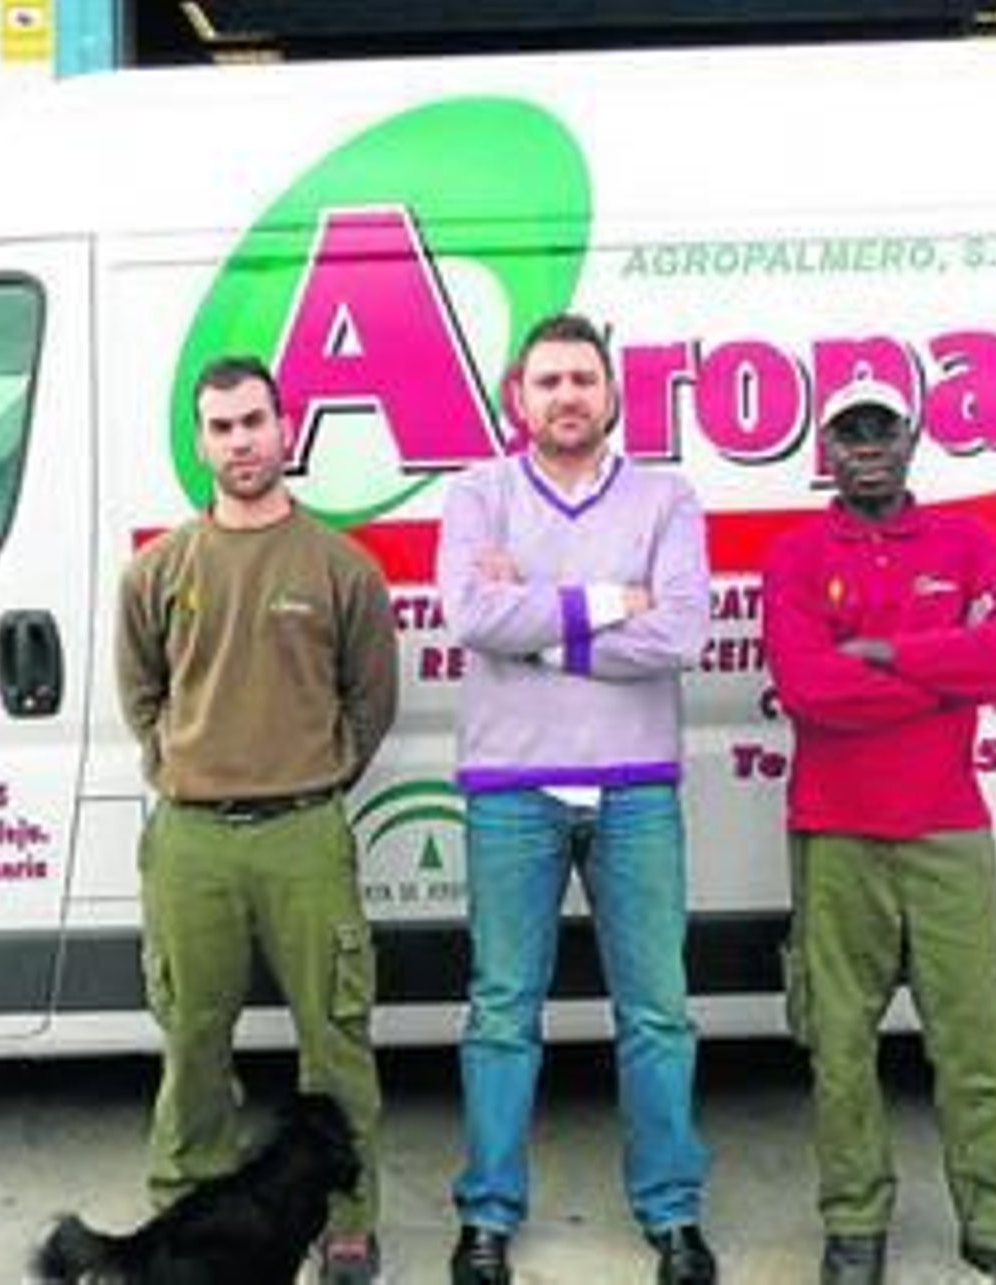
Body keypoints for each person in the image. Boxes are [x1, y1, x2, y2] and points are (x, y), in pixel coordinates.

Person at [761, 379, 996, 1285]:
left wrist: (889, 650)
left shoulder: (968, 542)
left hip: (948, 829)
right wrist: (943, 678)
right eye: (849, 432)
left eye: (882, 429)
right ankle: (855, 1224)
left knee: (979, 1039)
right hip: (836, 832)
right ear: (826, 449)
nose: (867, 446)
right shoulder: (796, 555)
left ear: (911, 439)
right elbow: (809, 687)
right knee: (841, 1046)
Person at [436, 312, 717, 1285]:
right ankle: (487, 1216)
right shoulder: (477, 493)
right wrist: (609, 601)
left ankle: (673, 1215)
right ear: (519, 398)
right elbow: (471, 613)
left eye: (583, 379)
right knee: (502, 1011)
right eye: (548, 380)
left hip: (635, 789)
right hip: (512, 790)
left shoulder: (665, 497)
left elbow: (680, 632)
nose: (567, 395)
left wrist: (542, 636)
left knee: (657, 1012)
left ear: (610, 394)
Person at [115, 354, 399, 1285]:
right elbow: (142, 695)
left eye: (254, 421)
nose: (241, 441)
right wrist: (187, 768)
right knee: (192, 1035)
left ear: (286, 429)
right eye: (222, 426)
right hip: (191, 839)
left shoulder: (341, 568)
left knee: (335, 1034)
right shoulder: (158, 570)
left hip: (303, 835)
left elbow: (370, 701)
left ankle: (346, 1217)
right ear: (201, 443)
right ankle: (185, 1204)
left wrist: (313, 775)